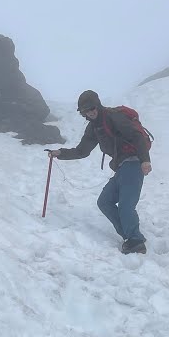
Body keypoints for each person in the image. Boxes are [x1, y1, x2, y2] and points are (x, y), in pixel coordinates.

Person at [48, 90, 152, 254]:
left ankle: (136, 242)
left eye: (92, 108)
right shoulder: (94, 128)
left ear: (97, 105)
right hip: (120, 168)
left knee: (126, 206)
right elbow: (82, 151)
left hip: (133, 163)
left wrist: (145, 159)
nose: (90, 112)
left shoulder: (113, 117)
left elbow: (137, 136)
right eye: (85, 111)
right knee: (104, 202)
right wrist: (60, 154)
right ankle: (130, 236)